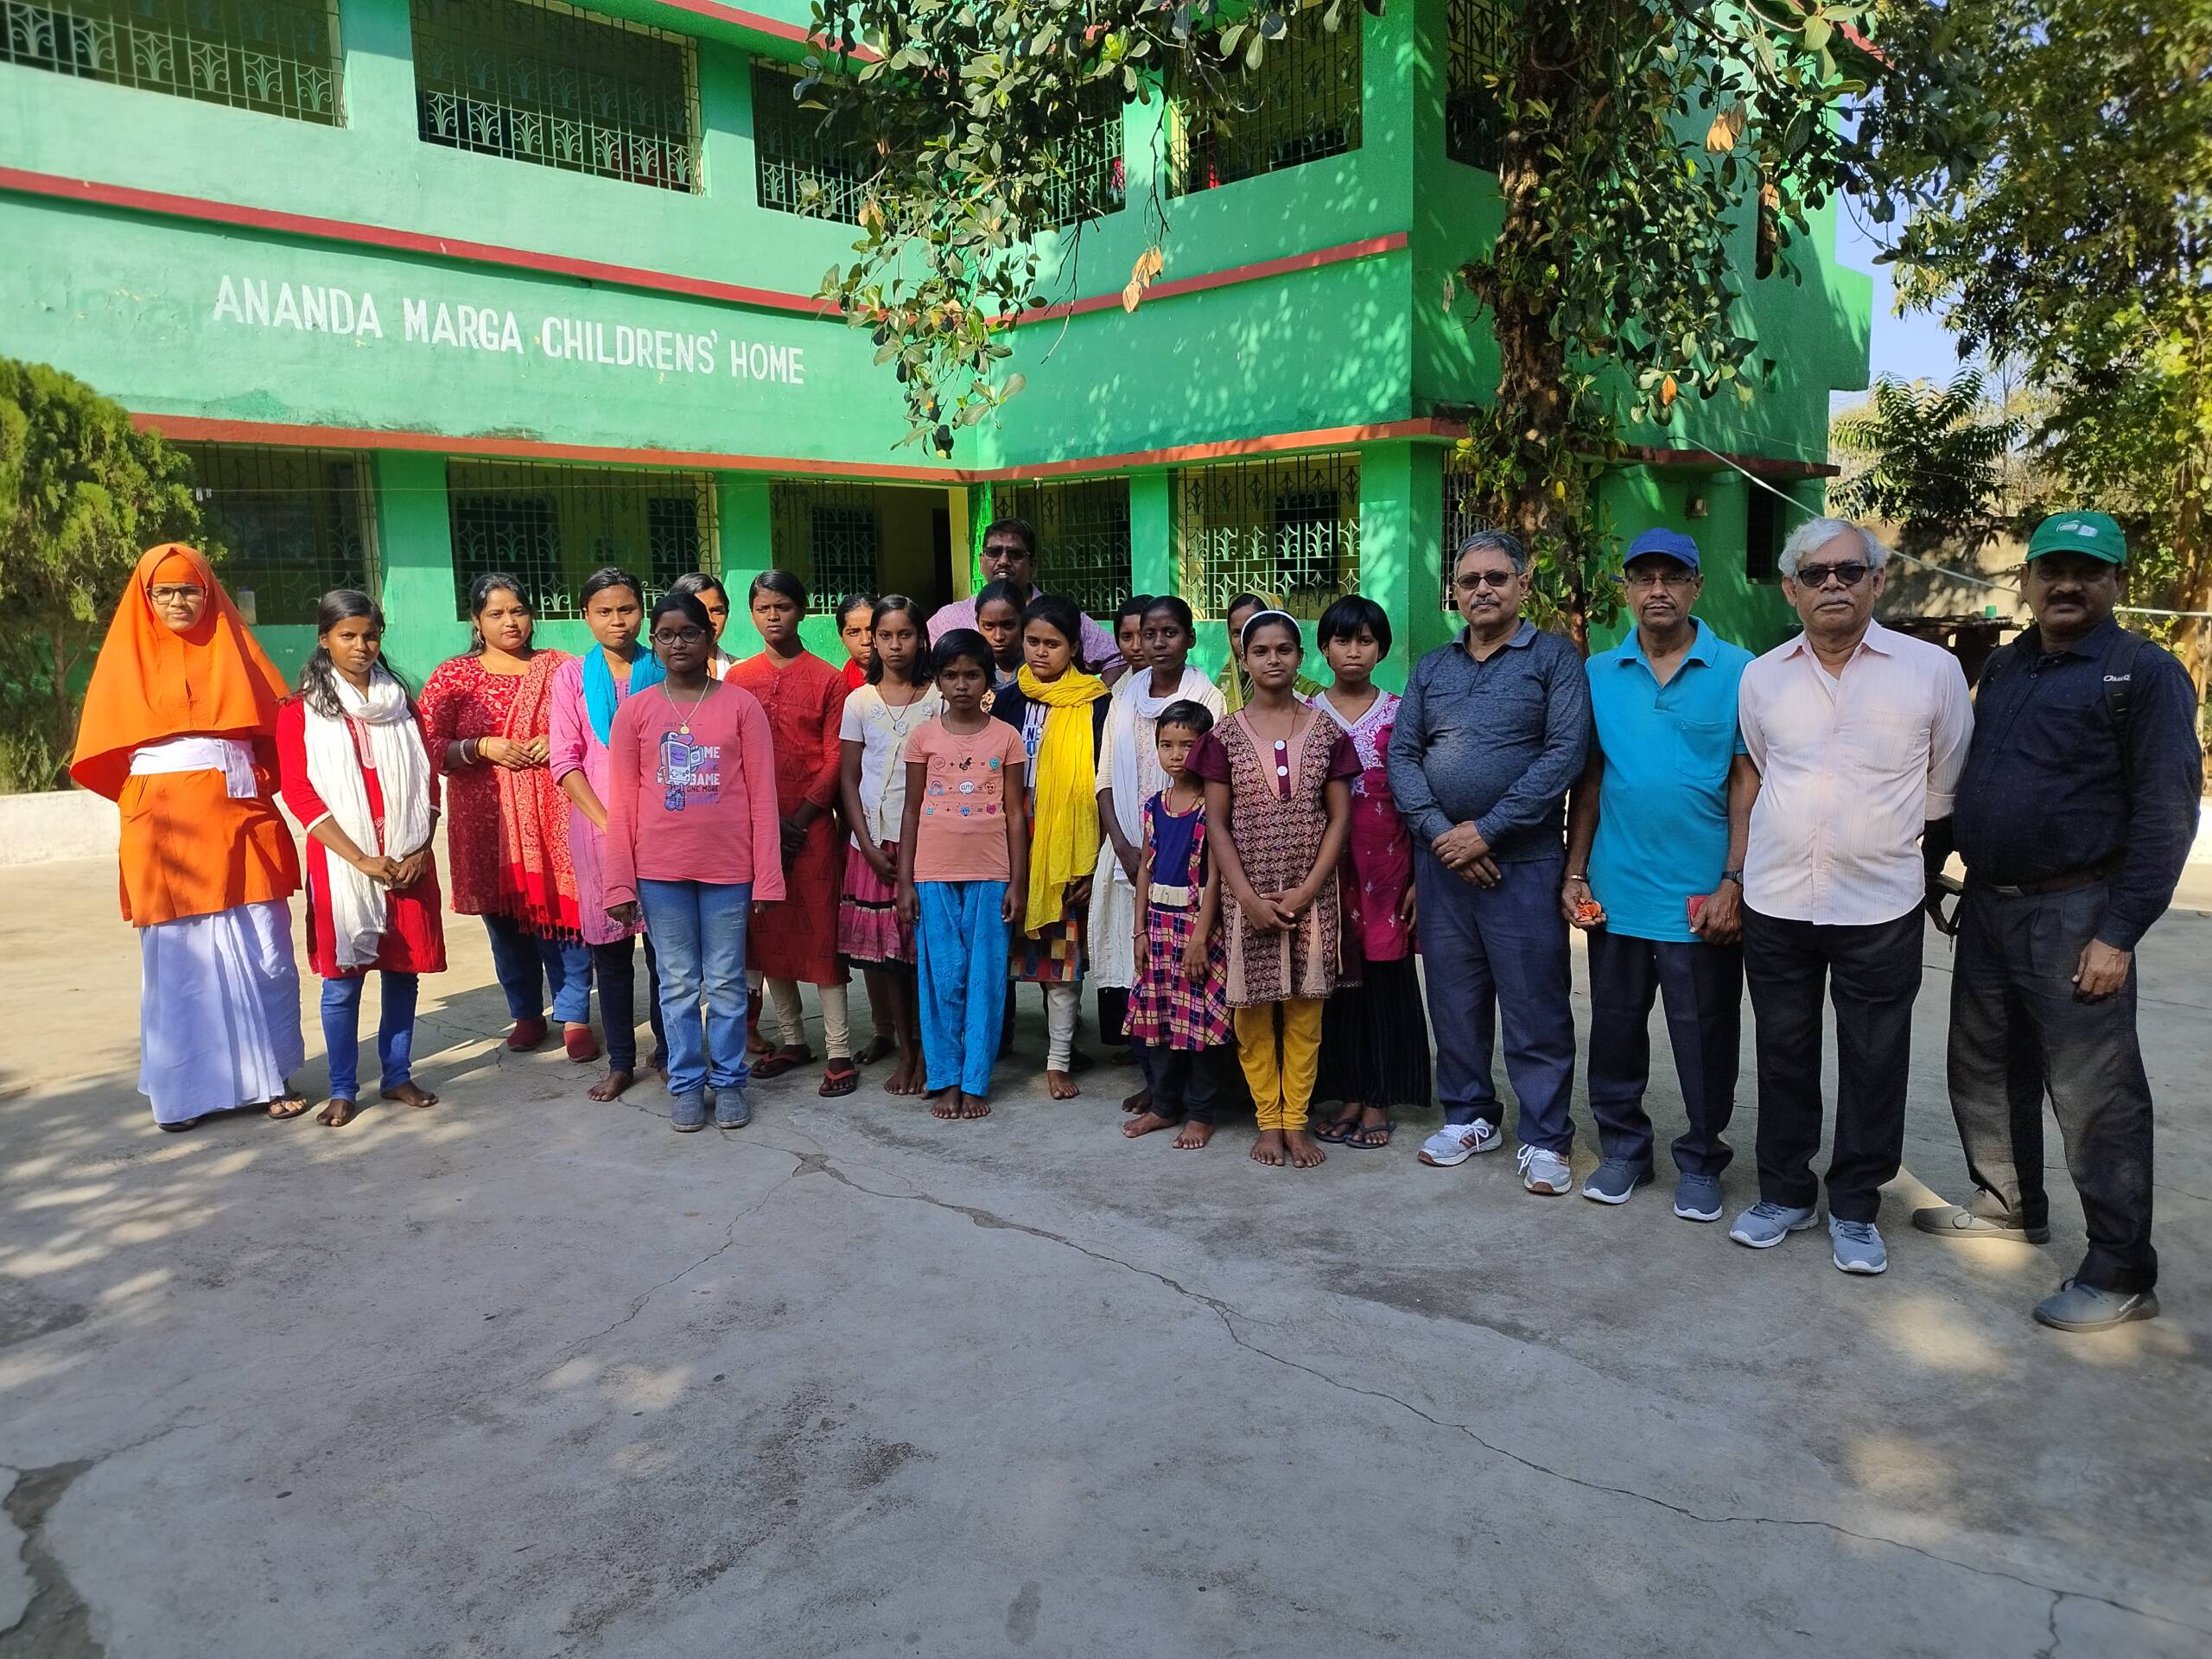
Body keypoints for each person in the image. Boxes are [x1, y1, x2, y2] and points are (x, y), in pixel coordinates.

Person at [1916, 511, 2202, 1330]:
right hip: (1991, 903)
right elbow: (1975, 778)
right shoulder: (2009, 665)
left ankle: (2121, 1271)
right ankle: (2007, 1205)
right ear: (2027, 580)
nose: (2067, 585)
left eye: (2088, 572)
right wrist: (1935, 857)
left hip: (2079, 912)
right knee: (1982, 1065)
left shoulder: (2143, 674)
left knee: (2094, 1095)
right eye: (2053, 570)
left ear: (2117, 583)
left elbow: (2166, 815)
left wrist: (2120, 932)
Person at [1728, 517, 1973, 1274]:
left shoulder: (1931, 671)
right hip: (1778, 901)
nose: (1832, 583)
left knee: (1875, 1059)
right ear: (1791, 590)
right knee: (1784, 1054)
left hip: (1881, 906)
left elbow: (1943, 787)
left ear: (1877, 580)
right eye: (1815, 573)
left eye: (1848, 570)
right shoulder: (1762, 676)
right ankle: (1784, 1194)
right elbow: (1765, 767)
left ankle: (1857, 1207)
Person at [71, 543, 307, 1130]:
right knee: (182, 961)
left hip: (241, 814)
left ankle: (271, 1076)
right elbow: (103, 756)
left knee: (267, 951)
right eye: (165, 592)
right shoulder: (123, 660)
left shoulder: (239, 650)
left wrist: (249, 777)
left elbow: (281, 734)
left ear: (209, 593)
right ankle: (183, 1096)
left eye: (190, 590)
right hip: (164, 826)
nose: (178, 601)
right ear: (146, 598)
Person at [1386, 532, 1590, 1195]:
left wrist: (1488, 832)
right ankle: (1470, 1115)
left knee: (1534, 1005)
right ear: (1456, 590)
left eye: (1496, 578)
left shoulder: (1554, 659)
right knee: (1454, 1000)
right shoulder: (1432, 667)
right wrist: (1444, 835)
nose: (1482, 590)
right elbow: (1402, 756)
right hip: (1442, 867)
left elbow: (1564, 755)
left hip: (1523, 865)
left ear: (1523, 585)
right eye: (1470, 579)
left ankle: (1545, 1137)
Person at [1562, 530, 1756, 1218]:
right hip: (1618, 891)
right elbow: (1590, 780)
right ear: (1626, 589)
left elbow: (1745, 780)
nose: (1657, 591)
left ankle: (1702, 1160)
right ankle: (1624, 1151)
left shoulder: (1739, 670)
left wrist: (1734, 881)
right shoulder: (1598, 673)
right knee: (1615, 1031)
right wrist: (1576, 873)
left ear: (1696, 586)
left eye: (1672, 577)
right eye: (1643, 578)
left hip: (1702, 897)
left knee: (1705, 1037)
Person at [601, 593, 784, 1132]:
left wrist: (768, 877)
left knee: (726, 982)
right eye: (666, 635)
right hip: (659, 872)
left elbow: (762, 797)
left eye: (689, 633)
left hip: (730, 870)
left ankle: (728, 1082)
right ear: (653, 642)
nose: (677, 643)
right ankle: (685, 1083)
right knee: (677, 983)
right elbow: (623, 802)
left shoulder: (741, 706)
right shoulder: (636, 712)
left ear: (709, 638)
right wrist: (619, 883)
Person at [1192, 610, 1357, 1169]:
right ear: (1243, 659)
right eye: (1260, 651)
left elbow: (1339, 818)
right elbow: (1217, 824)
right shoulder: (1222, 738)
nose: (1272, 660)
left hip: (1312, 898)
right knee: (1254, 1013)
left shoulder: (1327, 733)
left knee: (1306, 1014)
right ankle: (1268, 1121)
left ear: (1300, 657)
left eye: (1284, 649)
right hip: (1248, 900)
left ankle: (1296, 1123)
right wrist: (1246, 899)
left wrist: (1308, 890)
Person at [275, 589, 447, 1128]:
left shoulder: (403, 705)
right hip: (342, 866)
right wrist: (361, 859)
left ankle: (397, 1075)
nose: (361, 646)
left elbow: (428, 782)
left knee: (402, 973)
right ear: (324, 639)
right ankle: (343, 1088)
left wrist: (420, 847)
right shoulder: (299, 711)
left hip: (407, 860)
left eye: (370, 635)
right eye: (347, 635)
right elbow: (299, 794)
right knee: (342, 982)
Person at [418, 573, 594, 1059]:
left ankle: (575, 1015)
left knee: (567, 914)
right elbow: (425, 746)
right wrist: (479, 747)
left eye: (518, 610)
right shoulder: (454, 677)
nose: (510, 622)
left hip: (555, 813)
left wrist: (558, 742)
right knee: (505, 921)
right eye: (495, 614)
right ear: (476, 621)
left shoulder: (562, 668)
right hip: (486, 818)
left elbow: (594, 728)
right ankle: (526, 1013)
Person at [1090, 595, 1225, 1110]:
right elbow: (1105, 777)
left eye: (1170, 633)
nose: (1158, 643)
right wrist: (1123, 845)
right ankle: (1156, 1083)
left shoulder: (1207, 698)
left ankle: (1191, 1094)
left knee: (1192, 983)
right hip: (1129, 846)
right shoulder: (1123, 696)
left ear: (1190, 638)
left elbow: (1218, 777)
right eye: (1149, 634)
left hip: (1190, 861)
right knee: (1142, 974)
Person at [1310, 595, 1430, 1152]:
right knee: (1338, 984)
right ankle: (1350, 1093)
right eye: (1342, 640)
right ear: (1324, 648)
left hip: (1388, 869)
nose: (1353, 651)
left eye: (1365, 640)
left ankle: (1380, 1097)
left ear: (1381, 648)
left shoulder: (1402, 712)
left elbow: (1420, 797)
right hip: (1326, 870)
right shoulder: (1307, 715)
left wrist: (1421, 877)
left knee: (1384, 983)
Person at [731, 570, 857, 1095]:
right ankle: (792, 1040)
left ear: (802, 611)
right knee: (768, 933)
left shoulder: (828, 679)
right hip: (755, 830)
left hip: (813, 829)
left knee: (822, 936)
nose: (773, 616)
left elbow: (835, 757)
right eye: (763, 608)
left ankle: (839, 1050)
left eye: (782, 606)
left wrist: (799, 821)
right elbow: (732, 754)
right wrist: (764, 823)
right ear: (752, 614)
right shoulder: (738, 679)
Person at [896, 629, 1031, 1120]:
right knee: (942, 977)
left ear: (988, 679)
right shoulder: (923, 737)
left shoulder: (1007, 738)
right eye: (951, 675)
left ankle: (975, 1081)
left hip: (992, 874)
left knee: (985, 979)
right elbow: (912, 810)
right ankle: (946, 1078)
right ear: (936, 679)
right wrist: (905, 882)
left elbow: (1015, 812)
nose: (961, 685)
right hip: (932, 872)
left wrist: (1018, 882)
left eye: (972, 675)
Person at [549, 568, 669, 1101]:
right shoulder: (571, 677)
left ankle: (668, 1052)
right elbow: (564, 760)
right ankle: (621, 1061)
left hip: (663, 832)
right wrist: (610, 824)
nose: (617, 620)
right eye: (604, 611)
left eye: (627, 609)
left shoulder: (664, 666)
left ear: (642, 610)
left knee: (666, 955)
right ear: (586, 616)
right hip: (598, 834)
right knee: (612, 955)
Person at [989, 594, 1111, 1097]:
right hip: (1010, 836)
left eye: (1052, 644)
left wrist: (1093, 859)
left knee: (1062, 959)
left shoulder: (1097, 704)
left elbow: (1105, 783)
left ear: (1075, 647)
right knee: (1002, 948)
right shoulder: (1006, 700)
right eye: (1032, 641)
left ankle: (1058, 1060)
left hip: (1068, 841)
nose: (1040, 652)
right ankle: (994, 1044)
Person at [837, 595, 942, 1098]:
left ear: (921, 638)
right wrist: (866, 844)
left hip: (929, 843)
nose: (895, 645)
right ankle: (906, 1052)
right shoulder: (859, 702)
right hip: (873, 846)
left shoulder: (939, 697)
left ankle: (931, 1051)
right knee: (890, 961)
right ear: (873, 641)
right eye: (885, 636)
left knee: (925, 954)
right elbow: (849, 778)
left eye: (905, 634)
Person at [1121, 701, 1231, 1149]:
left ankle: (1201, 1114)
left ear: (1206, 747)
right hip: (1158, 927)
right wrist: (1139, 931)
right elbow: (1144, 872)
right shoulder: (1154, 806)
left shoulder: (1213, 808)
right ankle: (1165, 1106)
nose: (1177, 754)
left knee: (1199, 1023)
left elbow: (1216, 877)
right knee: (1161, 1020)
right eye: (1167, 744)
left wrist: (1201, 937)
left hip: (1198, 928)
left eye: (1188, 744)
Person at [928, 516, 1122, 677]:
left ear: (1033, 565)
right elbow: (921, 661)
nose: (1003, 561)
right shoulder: (951, 618)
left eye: (1015, 554)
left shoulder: (1060, 614)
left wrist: (1095, 702)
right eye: (994, 552)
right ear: (981, 562)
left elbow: (1117, 659)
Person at [1215, 591, 1324, 710]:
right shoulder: (1219, 692)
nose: (1243, 639)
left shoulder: (1314, 699)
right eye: (1237, 633)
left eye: (1252, 628)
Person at [668, 572, 736, 679]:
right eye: (699, 610)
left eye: (716, 611)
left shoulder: (741, 672)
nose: (710, 620)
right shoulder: (656, 672)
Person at [973, 579, 1027, 708]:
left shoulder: (1039, 666)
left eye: (1008, 625)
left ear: (1024, 621)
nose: (998, 637)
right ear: (977, 622)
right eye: (988, 626)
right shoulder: (969, 670)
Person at [835, 592, 877, 691]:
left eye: (872, 630)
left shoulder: (908, 677)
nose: (866, 641)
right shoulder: (840, 686)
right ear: (842, 638)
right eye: (853, 632)